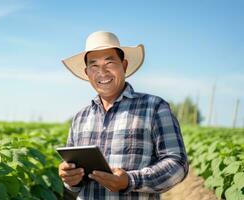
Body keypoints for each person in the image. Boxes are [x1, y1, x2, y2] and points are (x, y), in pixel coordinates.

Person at [59, 31, 188, 199]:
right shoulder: (80, 118)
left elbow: (177, 164)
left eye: (109, 62)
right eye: (94, 65)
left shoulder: (154, 107)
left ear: (124, 65)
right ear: (87, 72)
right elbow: (74, 186)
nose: (102, 72)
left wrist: (130, 181)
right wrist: (70, 178)